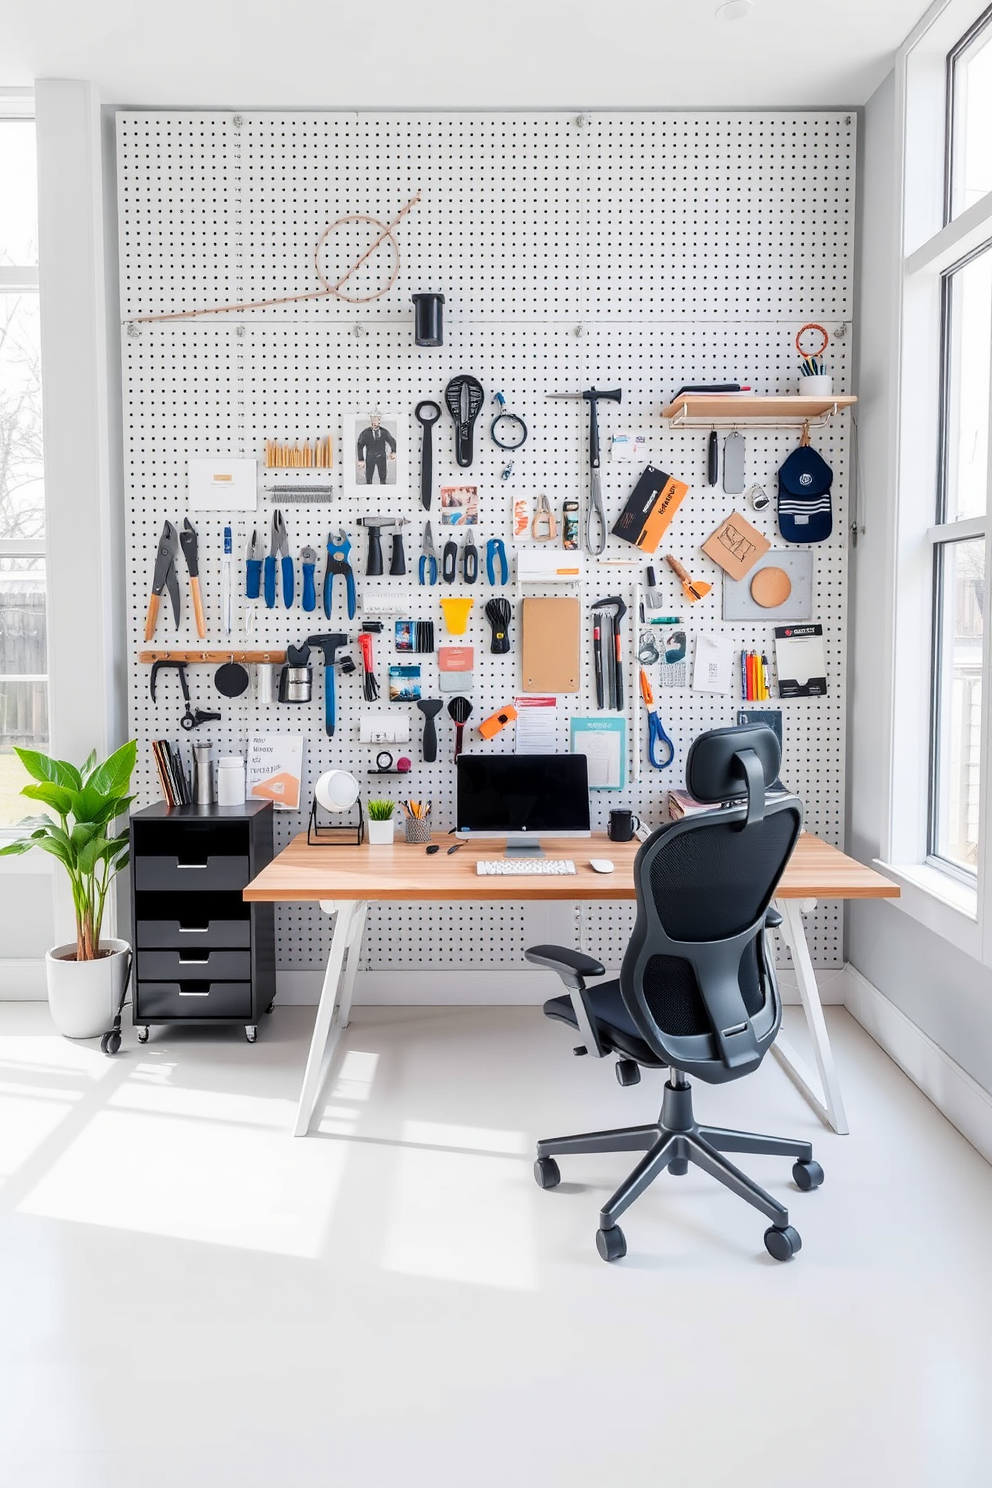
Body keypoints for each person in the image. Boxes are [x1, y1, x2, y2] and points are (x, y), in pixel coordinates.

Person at [356, 413, 396, 485]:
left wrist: (393, 451)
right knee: (368, 477)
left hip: (381, 457)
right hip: (370, 457)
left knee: (383, 477)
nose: (374, 422)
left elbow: (392, 441)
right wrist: (361, 459)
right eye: (372, 420)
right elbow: (360, 445)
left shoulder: (384, 432)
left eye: (375, 420)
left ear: (379, 421)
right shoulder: (365, 433)